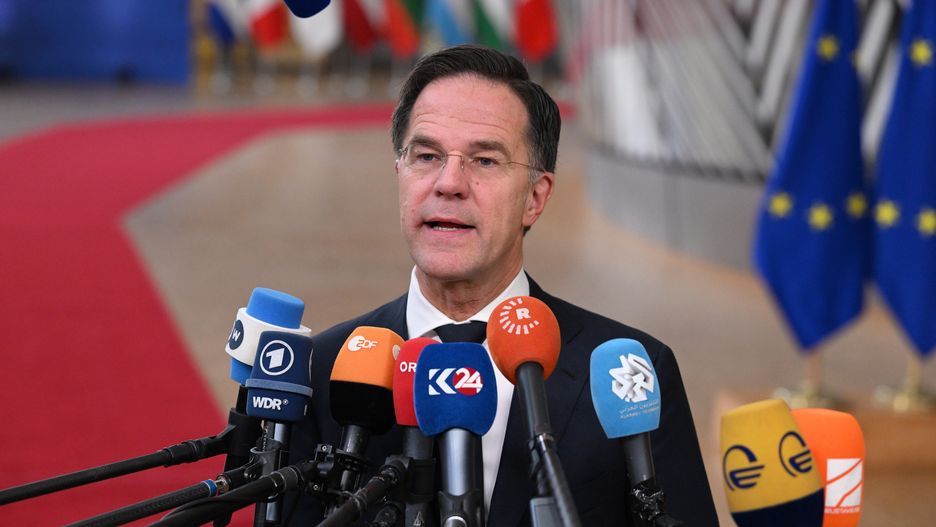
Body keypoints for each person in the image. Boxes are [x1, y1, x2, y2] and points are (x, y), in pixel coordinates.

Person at [284, 45, 718, 526]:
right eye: (426, 155)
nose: (448, 183)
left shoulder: (630, 371)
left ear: (535, 198)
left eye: (485, 161)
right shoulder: (320, 373)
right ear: (400, 175)